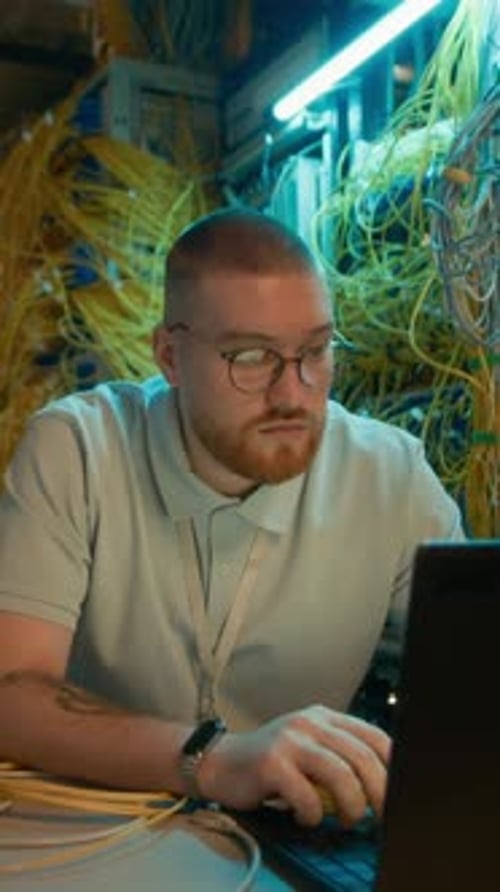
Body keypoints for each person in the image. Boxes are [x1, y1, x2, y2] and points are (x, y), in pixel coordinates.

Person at [0, 208, 463, 829]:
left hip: (293, 836)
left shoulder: (391, 476)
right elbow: (11, 693)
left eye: (316, 352)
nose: (293, 394)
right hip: (91, 833)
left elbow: (475, 679)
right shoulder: (80, 450)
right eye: (251, 357)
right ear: (170, 355)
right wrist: (212, 759)